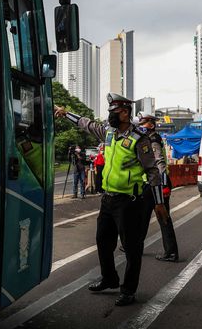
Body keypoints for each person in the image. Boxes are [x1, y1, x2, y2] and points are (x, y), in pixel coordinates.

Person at [55, 93, 167, 306]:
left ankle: (128, 290)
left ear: (125, 113)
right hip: (108, 199)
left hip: (129, 202)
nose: (110, 116)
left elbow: (153, 172)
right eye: (109, 112)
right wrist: (65, 113)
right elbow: (86, 124)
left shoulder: (139, 138)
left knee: (132, 248)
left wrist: (159, 202)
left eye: (114, 112)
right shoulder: (109, 133)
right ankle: (109, 278)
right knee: (102, 241)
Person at [137, 113, 179, 262]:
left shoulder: (153, 139)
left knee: (163, 217)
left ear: (151, 125)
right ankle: (136, 246)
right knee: (142, 217)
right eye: (140, 123)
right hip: (149, 184)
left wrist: (164, 185)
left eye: (143, 123)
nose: (141, 125)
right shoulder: (146, 139)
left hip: (156, 184)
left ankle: (171, 252)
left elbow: (159, 163)